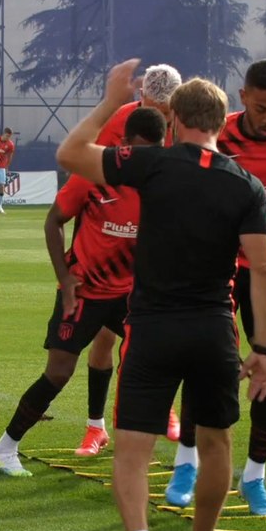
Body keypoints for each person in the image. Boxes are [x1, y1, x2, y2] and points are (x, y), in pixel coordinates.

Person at [58, 60, 266, 531]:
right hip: (212, 330)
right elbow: (265, 267)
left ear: (173, 118)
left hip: (153, 327)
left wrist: (113, 101)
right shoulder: (245, 184)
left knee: (133, 448)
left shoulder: (152, 164)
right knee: (217, 442)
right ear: (224, 123)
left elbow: (69, 155)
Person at [163, 59, 266, 516]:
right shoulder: (220, 135)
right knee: (204, 367)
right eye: (261, 107)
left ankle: (254, 477)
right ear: (243, 97)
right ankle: (186, 464)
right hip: (215, 269)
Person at [0, 106, 164, 475]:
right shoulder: (93, 176)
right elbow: (54, 220)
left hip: (129, 294)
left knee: (158, 356)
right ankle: (5, 447)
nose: (149, 158)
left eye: (156, 150)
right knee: (59, 372)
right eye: (142, 150)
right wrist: (65, 278)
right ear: (125, 144)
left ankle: (125, 439)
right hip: (83, 290)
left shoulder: (160, 181)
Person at [82, 63, 183, 444]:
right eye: (153, 109)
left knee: (159, 336)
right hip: (117, 241)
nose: (160, 119)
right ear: (141, 98)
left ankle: (165, 411)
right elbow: (91, 164)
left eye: (165, 111)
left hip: (162, 241)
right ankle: (96, 427)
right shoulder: (120, 119)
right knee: (106, 338)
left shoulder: (186, 121)